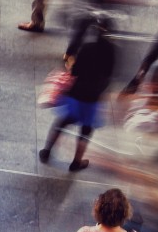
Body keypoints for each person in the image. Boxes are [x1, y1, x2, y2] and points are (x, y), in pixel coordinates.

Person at [38, 16, 116, 172]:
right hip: (94, 96)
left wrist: (70, 64)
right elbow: (110, 74)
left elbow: (75, 71)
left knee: (63, 122)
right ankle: (76, 162)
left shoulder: (87, 48)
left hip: (76, 93)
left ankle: (47, 151)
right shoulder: (112, 51)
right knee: (86, 129)